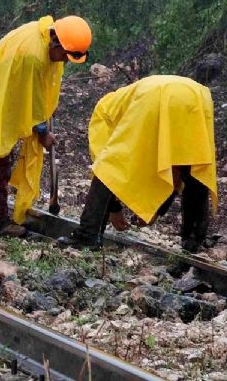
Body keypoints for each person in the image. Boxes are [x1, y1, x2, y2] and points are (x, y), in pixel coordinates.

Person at [0, 15, 91, 237]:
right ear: (56, 43)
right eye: (63, 56)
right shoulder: (34, 57)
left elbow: (41, 89)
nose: (62, 62)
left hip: (2, 95)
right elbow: (32, 105)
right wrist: (43, 132)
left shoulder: (43, 34)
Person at [57, 76, 217, 252]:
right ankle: (192, 244)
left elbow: (108, 170)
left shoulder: (102, 114)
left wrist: (114, 209)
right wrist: (157, 210)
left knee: (108, 166)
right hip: (197, 96)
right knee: (193, 165)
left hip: (156, 97)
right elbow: (174, 169)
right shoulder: (124, 101)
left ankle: (87, 236)